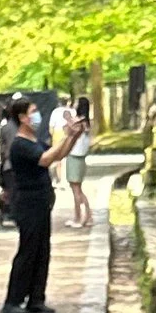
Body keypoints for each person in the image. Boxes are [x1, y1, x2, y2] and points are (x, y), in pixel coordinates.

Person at [1, 91, 76, 313]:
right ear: (22, 117)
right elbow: (45, 159)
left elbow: (57, 155)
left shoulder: (36, 141)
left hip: (42, 201)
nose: (37, 116)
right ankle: (13, 299)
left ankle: (36, 297)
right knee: (28, 250)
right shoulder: (20, 144)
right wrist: (66, 138)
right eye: (33, 112)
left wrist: (72, 137)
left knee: (42, 250)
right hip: (28, 202)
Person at [63, 95, 95, 229]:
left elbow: (67, 130)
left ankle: (79, 218)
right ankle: (87, 216)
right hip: (80, 157)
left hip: (75, 156)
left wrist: (68, 119)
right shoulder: (86, 122)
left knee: (76, 190)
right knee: (78, 189)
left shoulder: (80, 122)